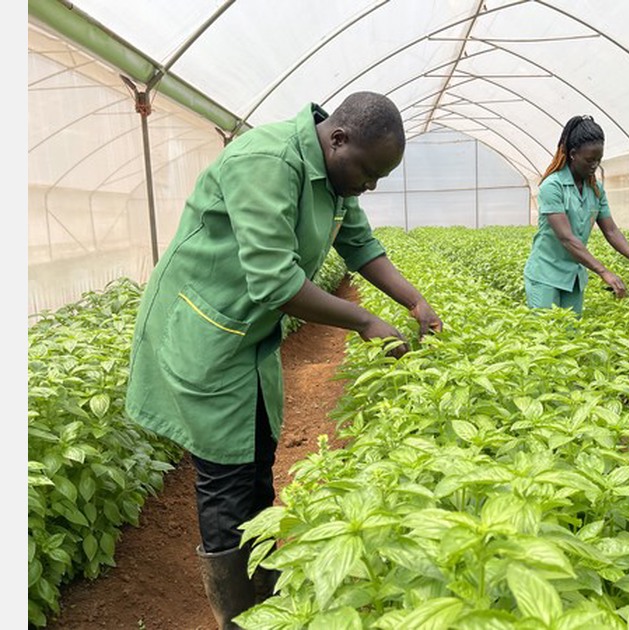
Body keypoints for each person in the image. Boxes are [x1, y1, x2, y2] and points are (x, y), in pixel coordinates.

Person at [124, 91, 442, 629]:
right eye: (368, 172)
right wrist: (364, 321)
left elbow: (361, 247)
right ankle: (239, 617)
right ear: (337, 138)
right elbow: (275, 281)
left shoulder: (337, 174)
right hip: (204, 327)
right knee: (225, 475)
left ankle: (266, 592)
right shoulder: (266, 161)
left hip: (246, 333)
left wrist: (414, 302)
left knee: (258, 455)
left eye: (379, 178)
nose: (370, 185)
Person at [522, 115, 629, 315]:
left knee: (571, 339)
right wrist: (603, 271)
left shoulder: (595, 189)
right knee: (545, 337)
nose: (595, 165)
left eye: (598, 160)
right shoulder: (553, 186)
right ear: (573, 154)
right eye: (590, 160)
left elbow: (611, 231)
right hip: (545, 275)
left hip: (573, 276)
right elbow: (566, 238)